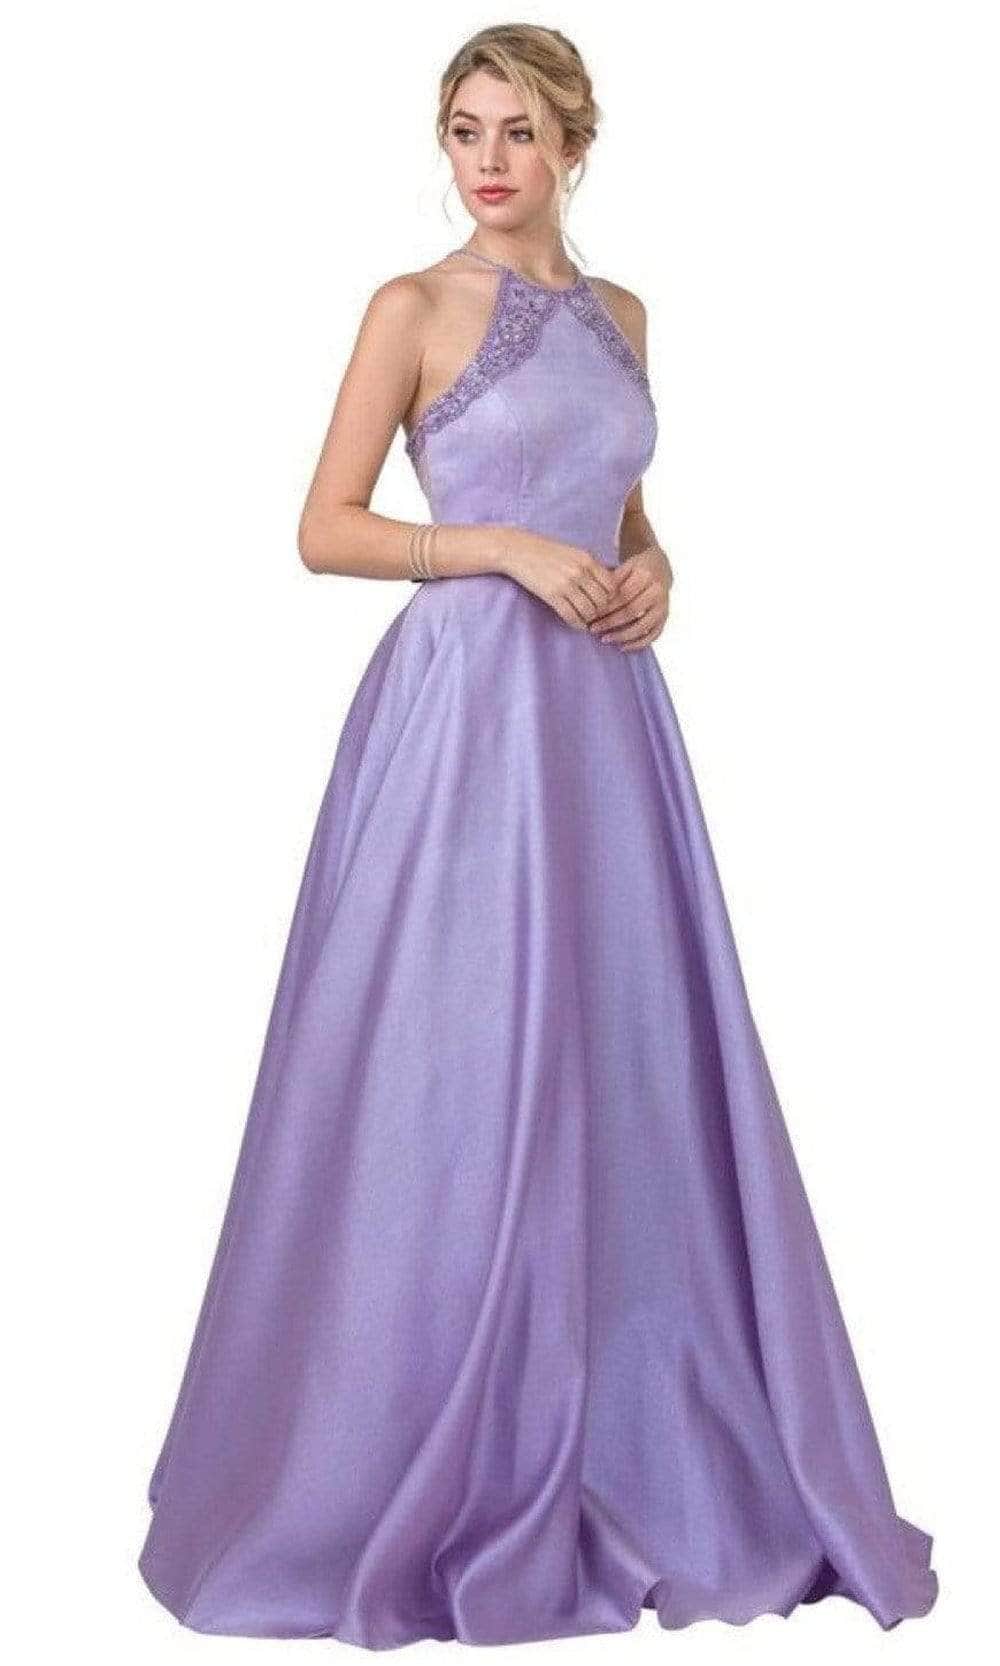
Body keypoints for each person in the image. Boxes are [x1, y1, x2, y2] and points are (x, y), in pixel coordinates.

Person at [137, 22, 938, 1648]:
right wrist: (498, 546)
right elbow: (323, 528)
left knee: (623, 1061)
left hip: (604, 726)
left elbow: (619, 508)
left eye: (517, 130)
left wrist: (658, 570)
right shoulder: (412, 307)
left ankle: (640, 1431)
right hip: (463, 724)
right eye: (464, 129)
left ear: (576, 144)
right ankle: (398, 1435)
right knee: (446, 1063)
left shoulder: (625, 315)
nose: (487, 160)